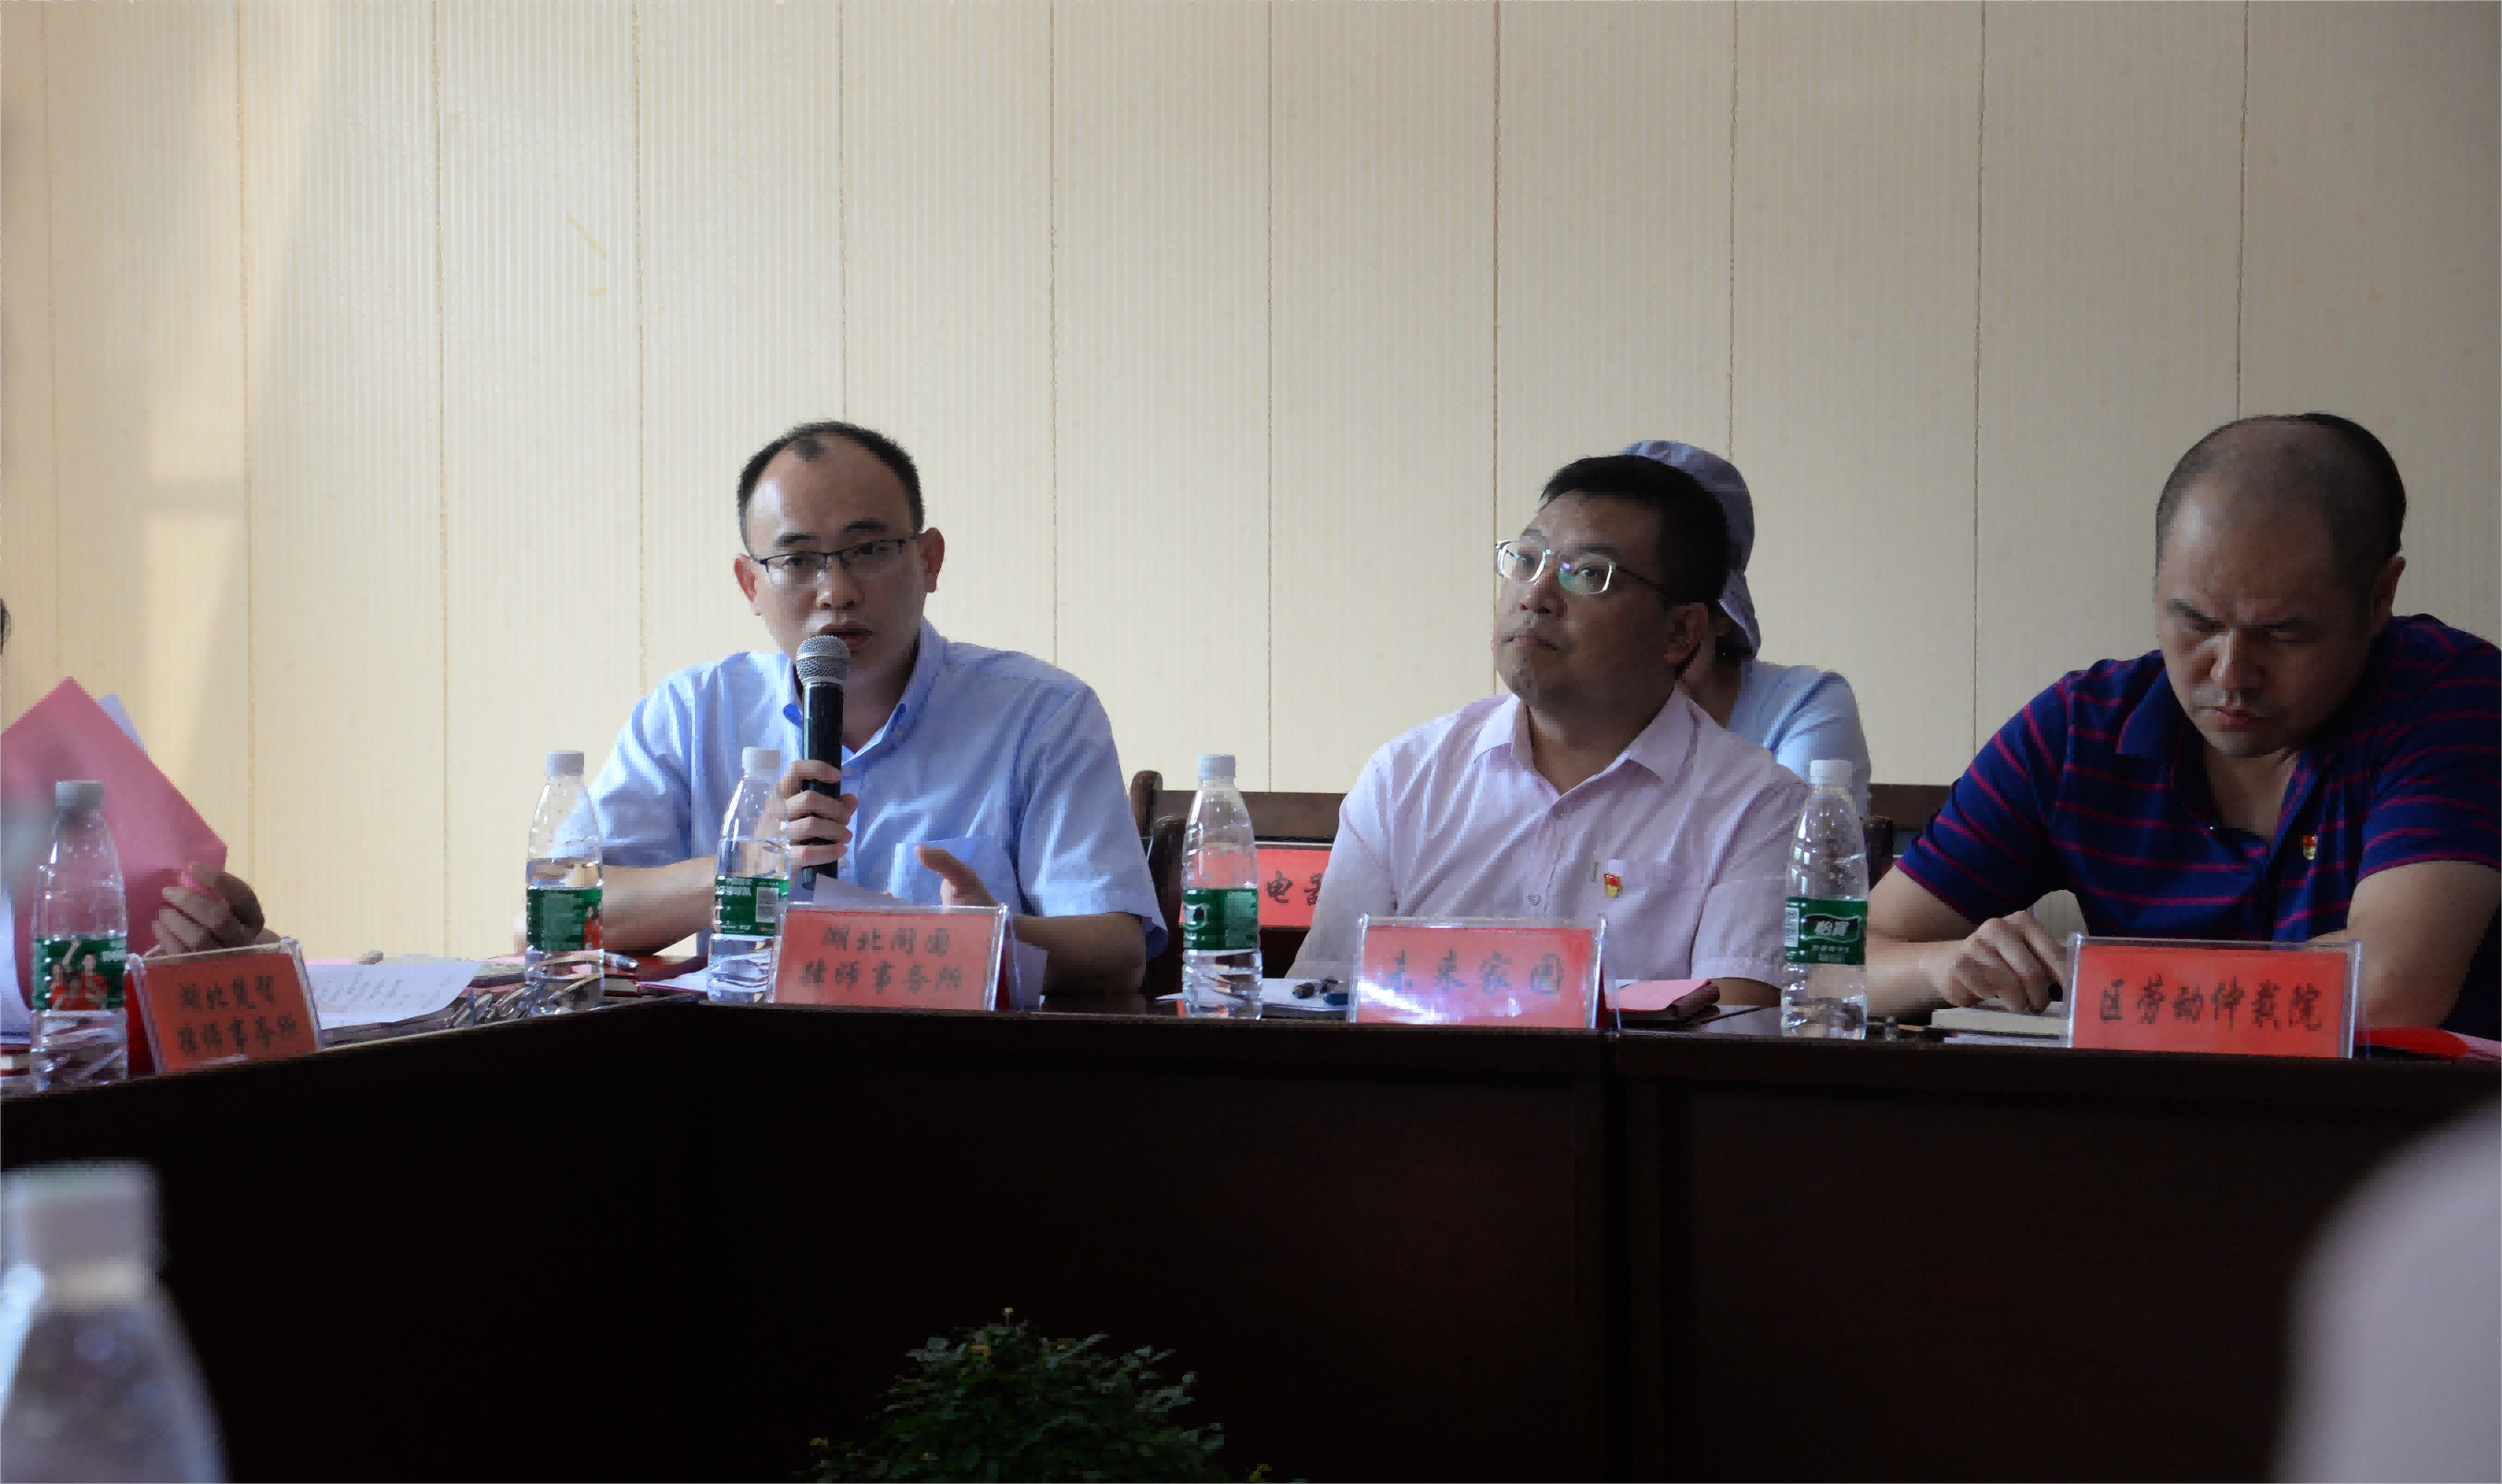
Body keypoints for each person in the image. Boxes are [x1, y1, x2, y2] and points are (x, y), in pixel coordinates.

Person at [1867, 413, 2499, 1036]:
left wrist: (2107, 984)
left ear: (2379, 597)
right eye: (2196, 623)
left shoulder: (2454, 698)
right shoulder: (2077, 731)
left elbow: (2388, 988)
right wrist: (1941, 965)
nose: (2231, 673)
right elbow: (1836, 961)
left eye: (2283, 633)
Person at [590, 420, 1161, 992]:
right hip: (752, 1046)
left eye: (868, 551)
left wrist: (991, 937)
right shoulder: (690, 713)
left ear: (929, 561)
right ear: (750, 586)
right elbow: (566, 911)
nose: (836, 591)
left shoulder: (1042, 714)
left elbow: (1118, 952)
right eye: (797, 560)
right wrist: (745, 871)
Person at [1289, 454, 1811, 1000]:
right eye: (1527, 560)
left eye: (1588, 574)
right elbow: (1322, 999)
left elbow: (1733, 1023)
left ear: (1680, 632)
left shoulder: (1758, 807)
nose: (1535, 596)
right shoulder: (1405, 776)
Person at [1621, 440, 1872, 813]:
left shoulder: (1803, 706)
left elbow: (1789, 839)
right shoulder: (1559, 712)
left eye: (1670, 612)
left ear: (1719, 618)